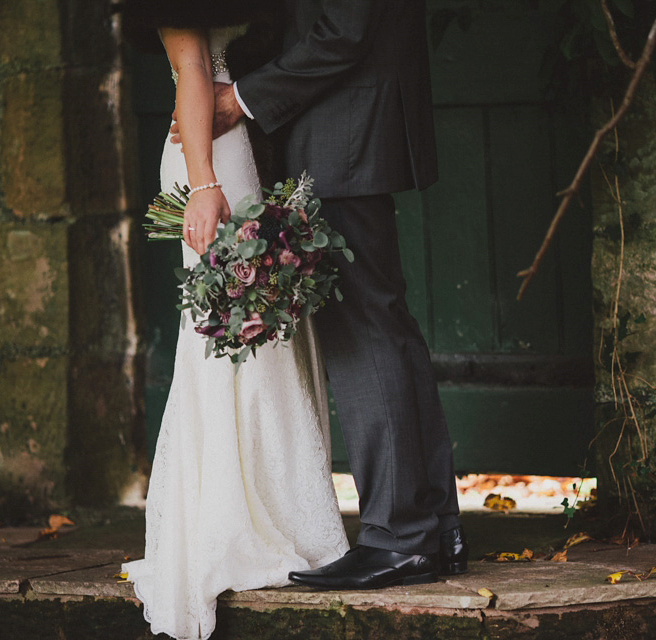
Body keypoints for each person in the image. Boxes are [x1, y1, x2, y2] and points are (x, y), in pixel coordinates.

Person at [193, 0, 469, 590]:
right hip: (351, 122)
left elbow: (345, 29)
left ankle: (401, 535)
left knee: (363, 328)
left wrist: (242, 98)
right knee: (383, 320)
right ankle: (433, 528)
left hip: (345, 125)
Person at [120, 3, 349, 638]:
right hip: (210, 159)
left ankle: (282, 506)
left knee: (261, 330)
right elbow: (191, 68)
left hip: (229, 151)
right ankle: (233, 515)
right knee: (229, 335)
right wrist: (202, 183)